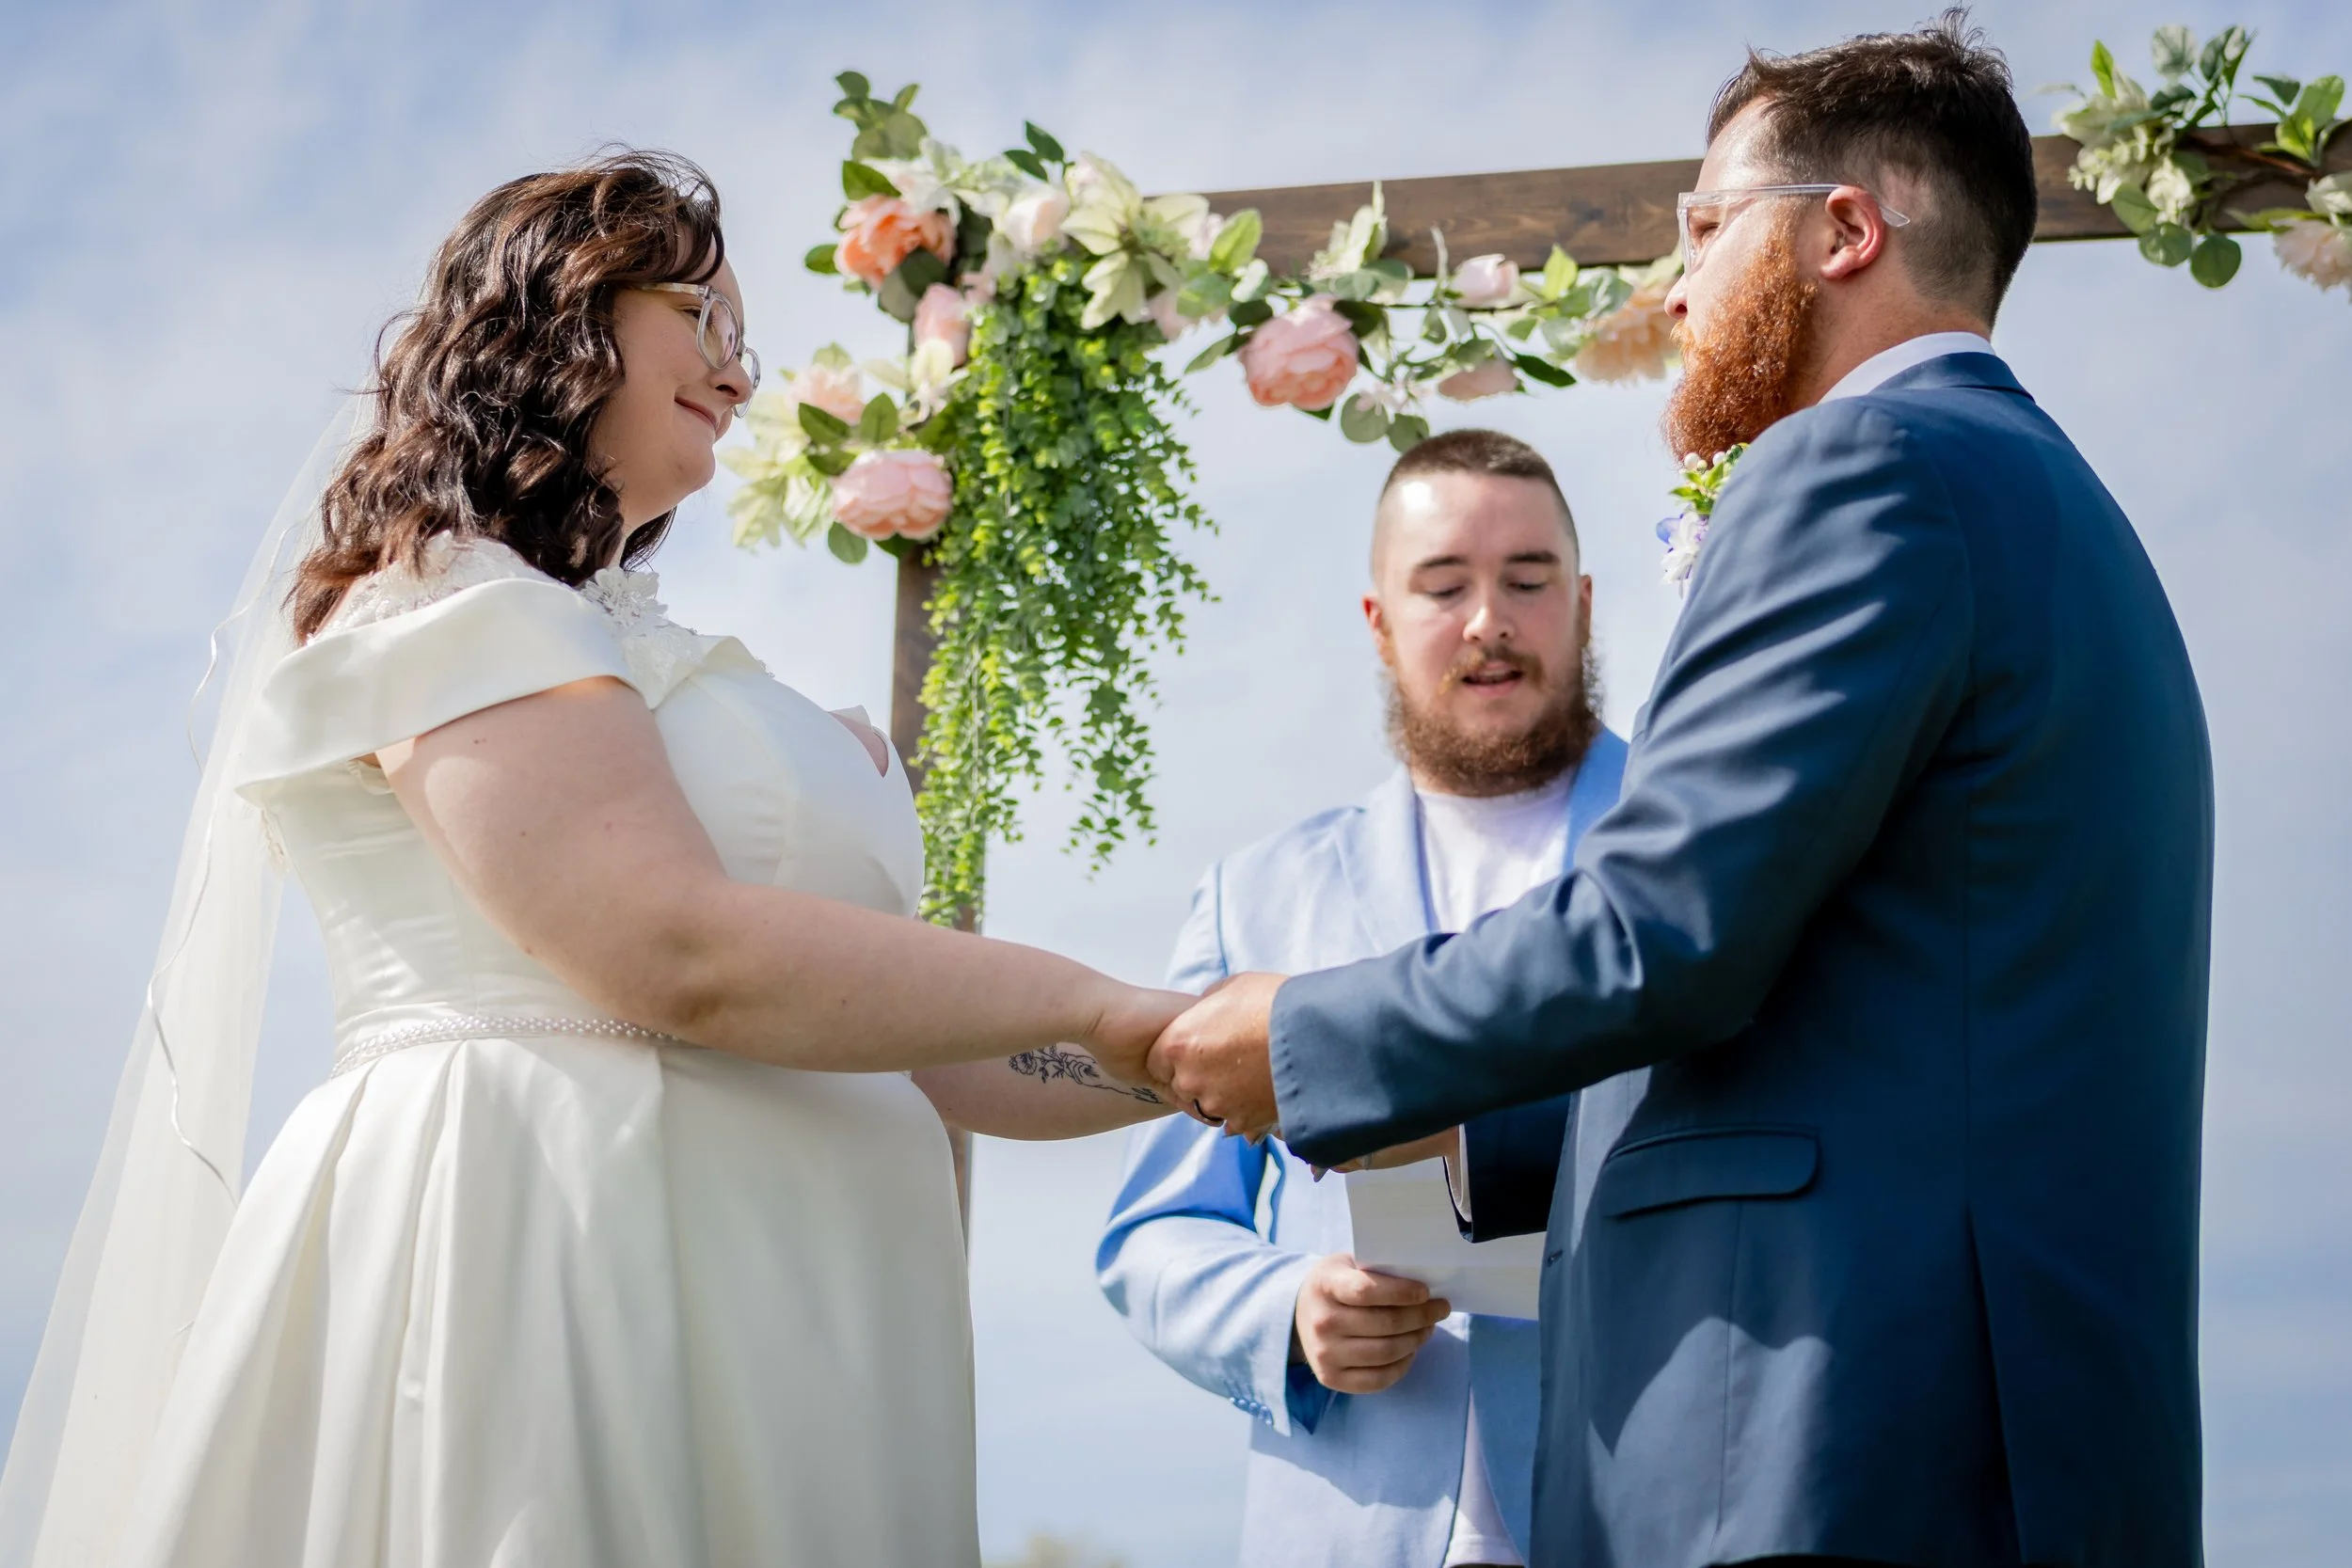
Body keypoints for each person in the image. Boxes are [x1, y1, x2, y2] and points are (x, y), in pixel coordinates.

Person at [0, 151, 1186, 1568]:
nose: (741, 380)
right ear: (561, 309)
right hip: (553, 1249)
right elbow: (670, 946)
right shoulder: (444, 603)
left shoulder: (652, 661)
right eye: (707, 318)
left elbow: (933, 1052)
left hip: (802, 1318)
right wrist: (1109, 1002)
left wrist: (1199, 1059)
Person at [1139, 16, 2213, 1568]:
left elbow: (1664, 927)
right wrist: (1462, 1141)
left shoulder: (1865, 473)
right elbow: (1847, 981)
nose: (1676, 284)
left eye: (1706, 227)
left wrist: (1305, 1039)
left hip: (1842, 1440)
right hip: (2004, 1436)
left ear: (1844, 232)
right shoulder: (2050, 507)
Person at [1099, 431, 1627, 1568]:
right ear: (1379, 620)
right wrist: (1285, 1310)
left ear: (1581, 602)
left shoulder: (1697, 851)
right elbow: (1153, 1234)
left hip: (1648, 1504)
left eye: (1527, 580)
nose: (1489, 618)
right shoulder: (1258, 894)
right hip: (1349, 1523)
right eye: (1443, 585)